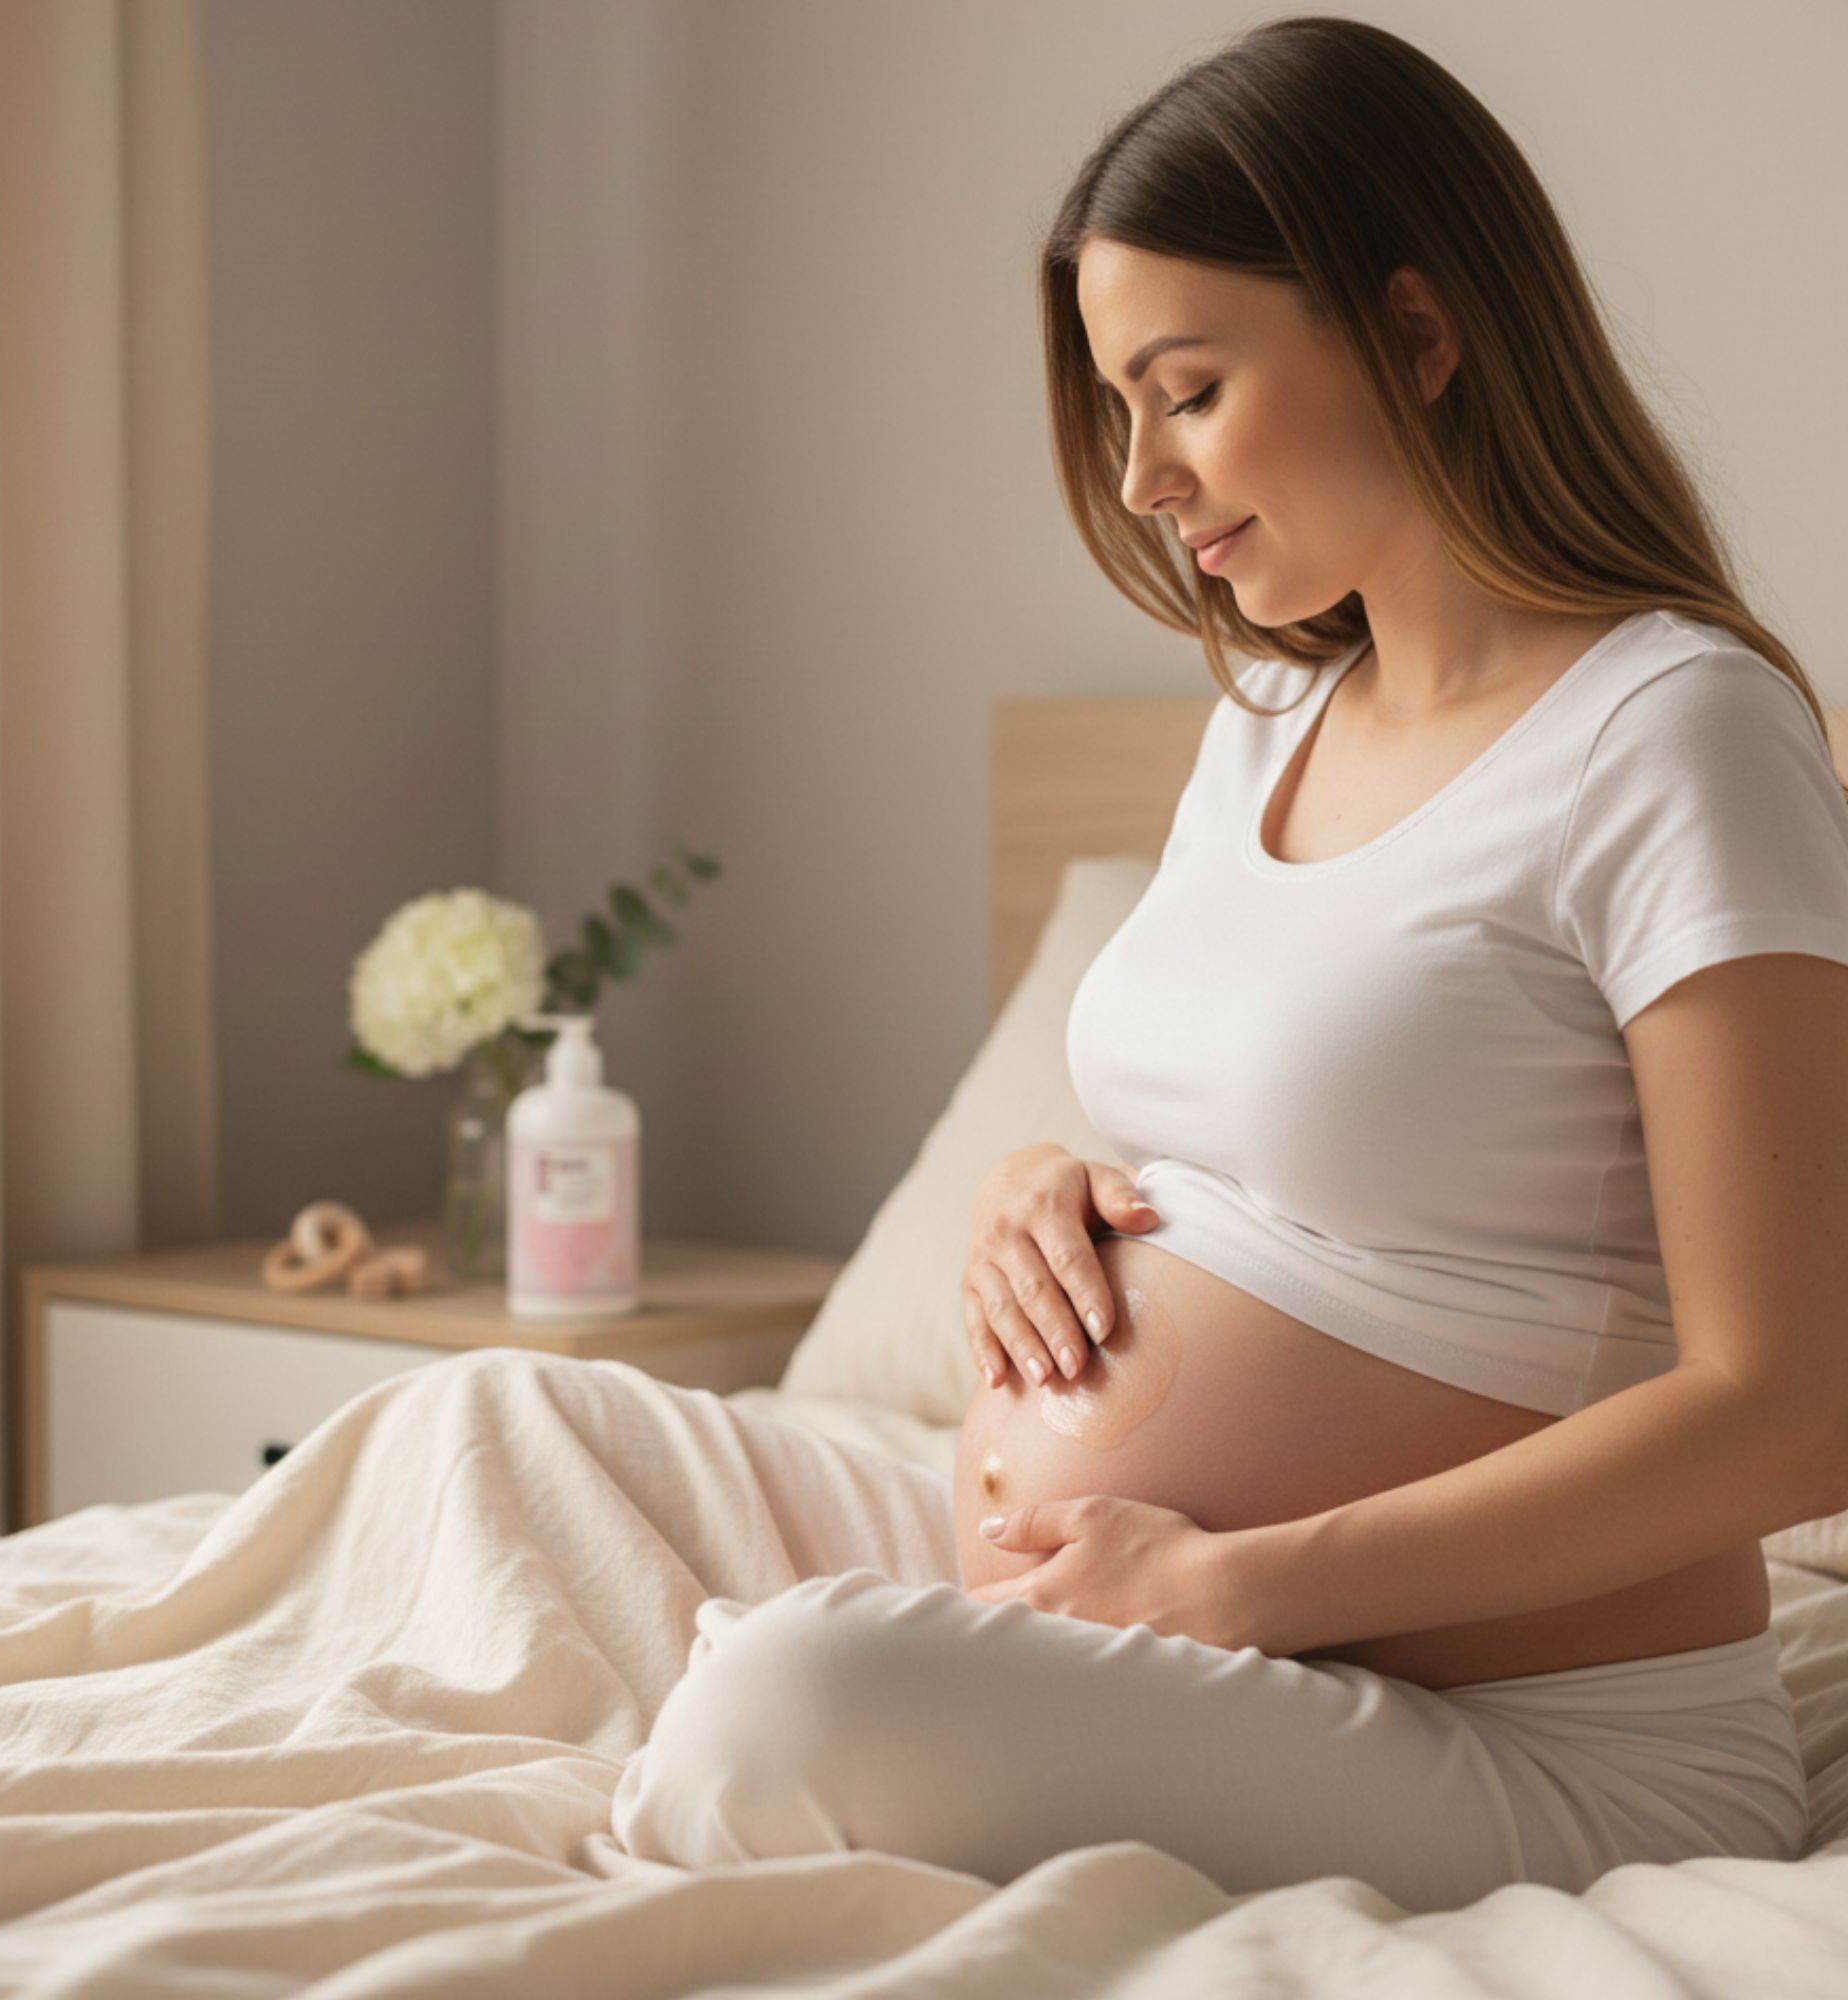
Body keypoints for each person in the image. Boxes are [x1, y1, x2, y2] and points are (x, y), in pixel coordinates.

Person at [607, 15, 1840, 1911]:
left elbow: (1796, 1398)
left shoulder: (1674, 730)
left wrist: (1227, 1588)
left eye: (1183, 392)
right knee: (512, 1424)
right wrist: (1038, 1189)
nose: (1142, 480)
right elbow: (1239, 1151)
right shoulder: (1269, 713)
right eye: (1119, 411)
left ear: (1421, 338)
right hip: (1183, 1632)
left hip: (1548, 1742)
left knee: (783, 1712)